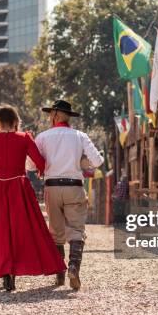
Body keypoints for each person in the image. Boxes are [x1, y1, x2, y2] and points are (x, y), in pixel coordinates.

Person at [0, 105, 66, 292]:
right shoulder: (24, 138)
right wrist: (41, 172)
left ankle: (7, 275)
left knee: (1, 232)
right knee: (27, 230)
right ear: (16, 121)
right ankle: (55, 266)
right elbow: (40, 162)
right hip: (19, 188)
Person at [28, 100, 103, 290]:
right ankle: (74, 267)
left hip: (51, 187)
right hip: (74, 186)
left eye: (50, 114)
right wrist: (81, 162)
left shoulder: (43, 137)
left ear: (55, 115)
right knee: (76, 230)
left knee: (56, 232)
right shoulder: (80, 136)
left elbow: (29, 165)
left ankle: (59, 274)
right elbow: (97, 161)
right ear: (67, 116)